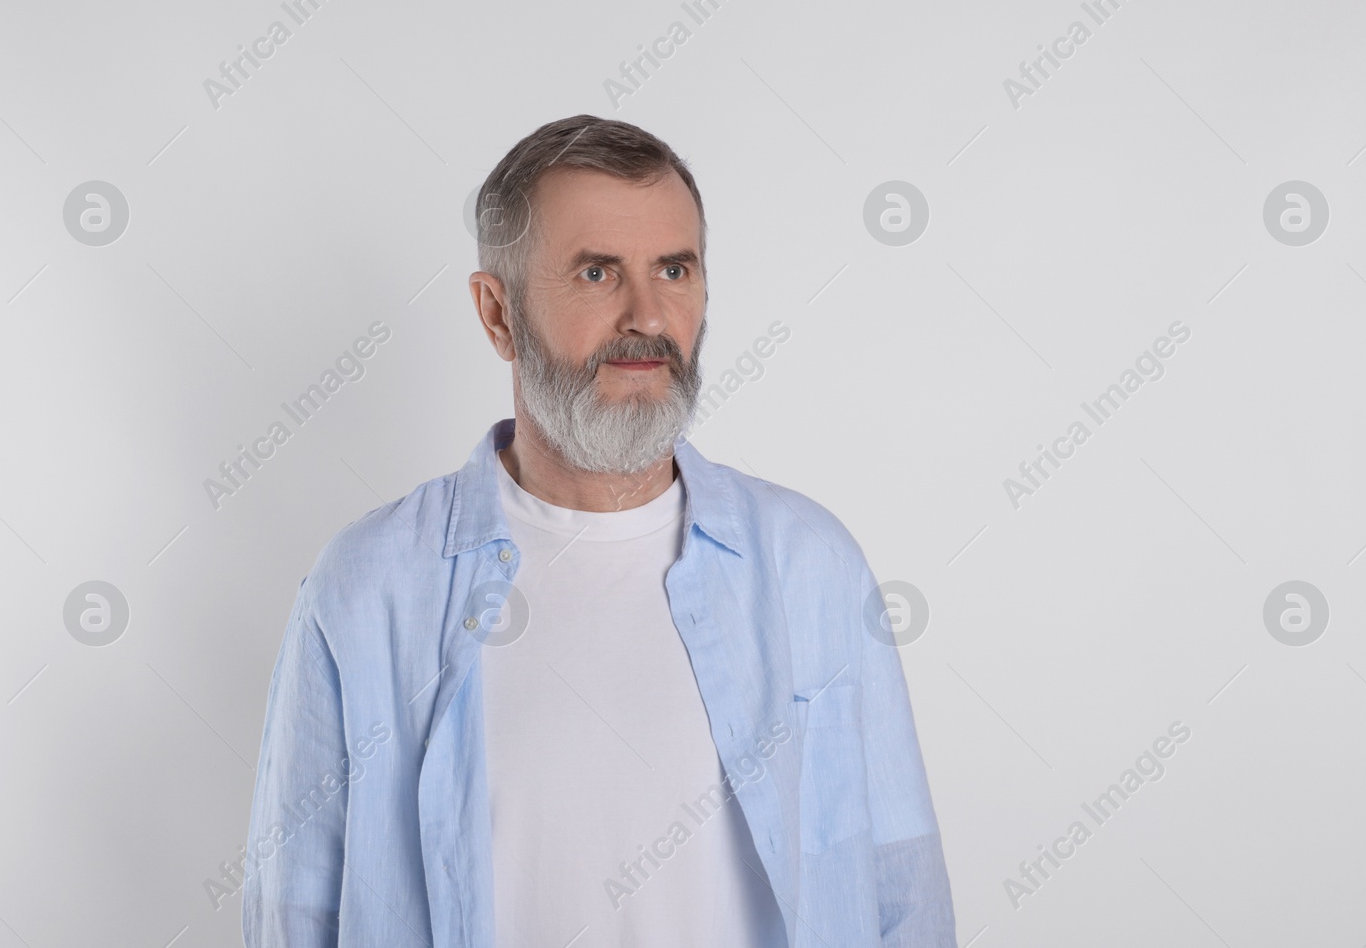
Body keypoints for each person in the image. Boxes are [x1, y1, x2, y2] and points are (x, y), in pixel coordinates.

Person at [242, 115, 957, 947]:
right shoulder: (368, 587)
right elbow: (295, 914)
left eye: (674, 269)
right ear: (497, 313)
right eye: (596, 272)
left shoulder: (810, 567)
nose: (648, 316)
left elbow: (903, 898)